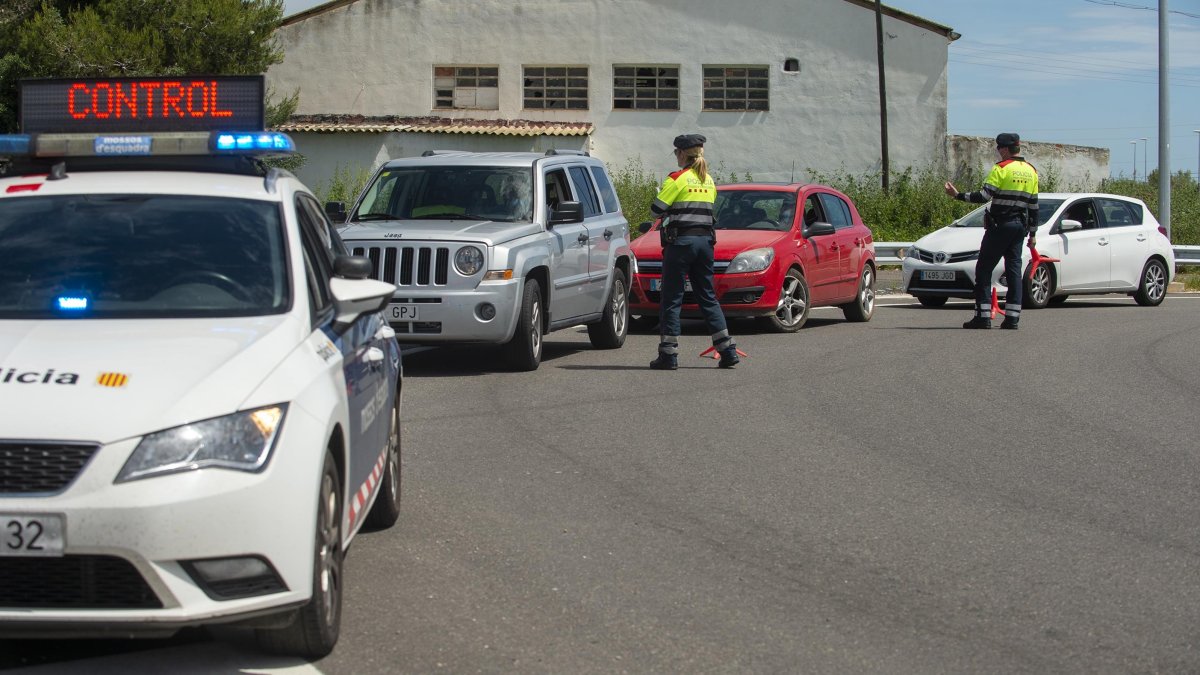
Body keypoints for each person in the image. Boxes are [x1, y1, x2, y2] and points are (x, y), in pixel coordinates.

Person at [648, 133, 739, 370]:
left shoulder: (676, 179)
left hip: (680, 244)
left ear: (681, 153)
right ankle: (727, 350)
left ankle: (668, 355)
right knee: (707, 296)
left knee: (672, 298)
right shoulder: (707, 180)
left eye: (676, 153)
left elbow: (656, 210)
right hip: (705, 244)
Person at [944, 132, 1039, 330]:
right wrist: (1033, 234)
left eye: (998, 148)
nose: (997, 152)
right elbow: (1034, 206)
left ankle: (982, 316)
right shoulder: (1031, 171)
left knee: (984, 268)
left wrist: (958, 195)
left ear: (1004, 149)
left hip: (1000, 225)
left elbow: (984, 196)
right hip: (1019, 227)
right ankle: (1012, 318)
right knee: (1013, 270)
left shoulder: (1001, 168)